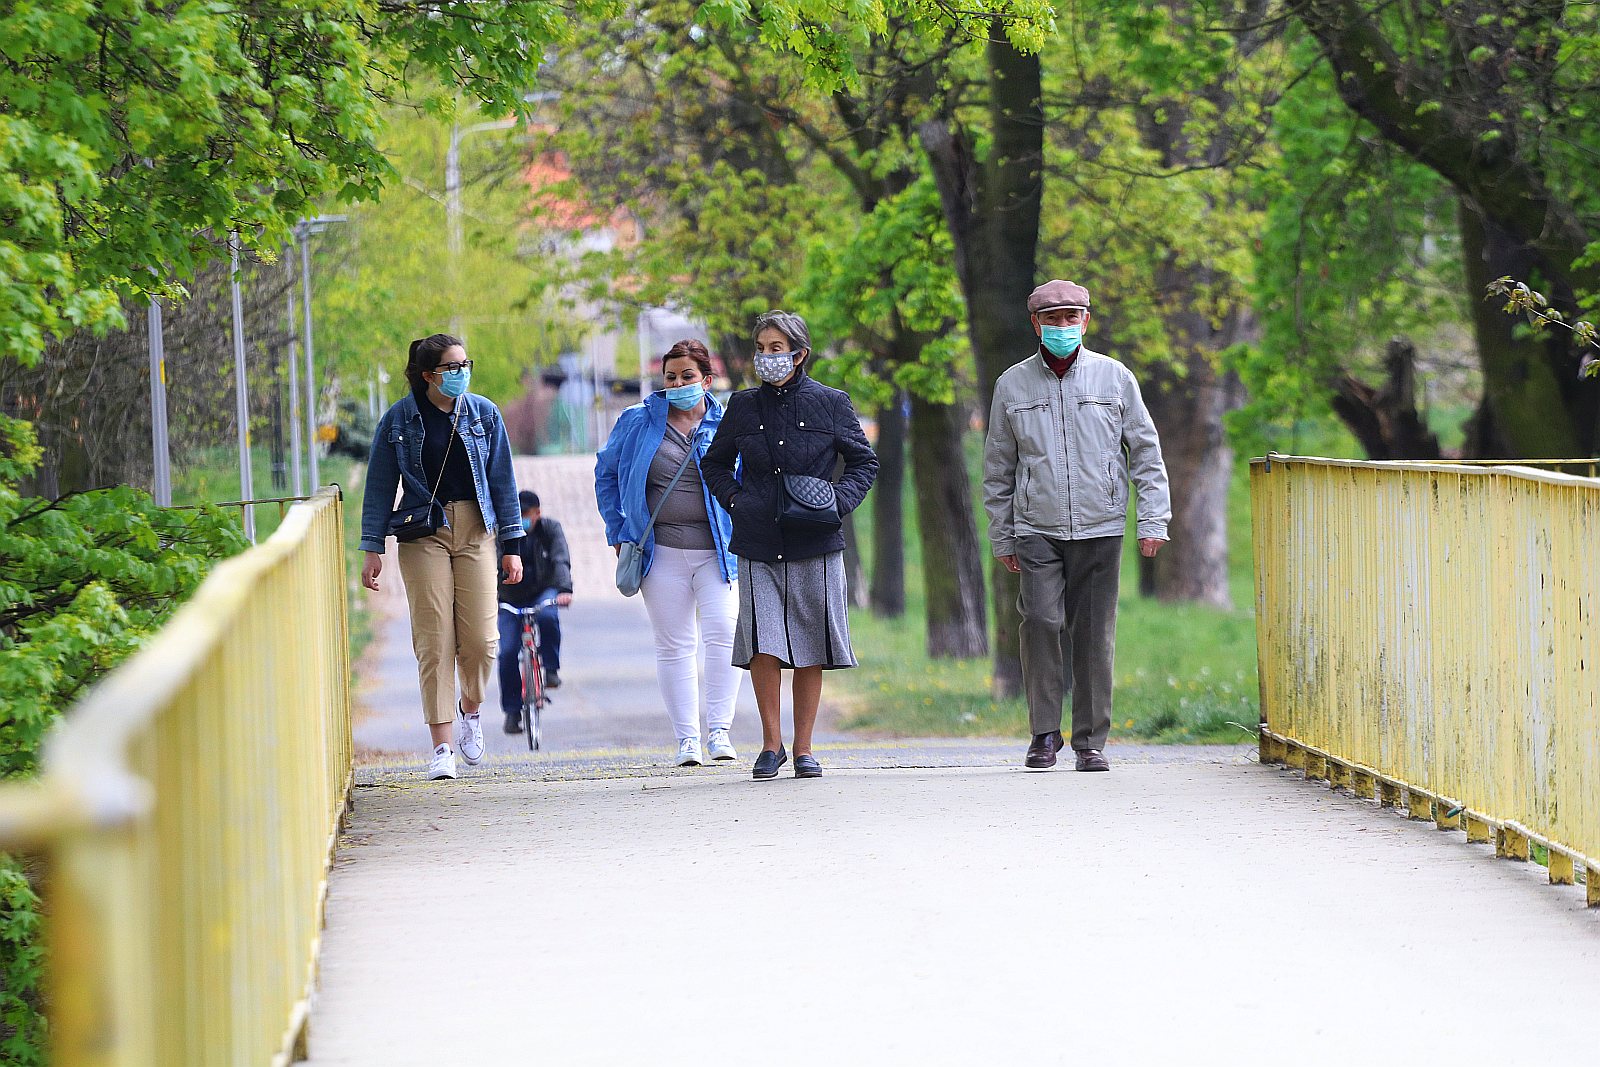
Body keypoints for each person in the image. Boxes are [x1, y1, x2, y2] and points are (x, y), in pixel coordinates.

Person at [982, 280, 1170, 773]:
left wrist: (1153, 518)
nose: (1062, 326)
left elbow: (1145, 452)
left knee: (1093, 633)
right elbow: (998, 467)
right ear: (1036, 324)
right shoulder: (1012, 384)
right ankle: (1044, 732)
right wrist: (1002, 533)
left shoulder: (1115, 378)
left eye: (1071, 317)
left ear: (1086, 321)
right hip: (1036, 527)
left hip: (1100, 524)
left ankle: (1090, 741)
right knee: (1041, 623)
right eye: (1052, 319)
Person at [702, 311, 879, 781]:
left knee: (809, 645)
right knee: (763, 645)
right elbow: (714, 464)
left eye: (776, 348)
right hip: (757, 541)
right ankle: (770, 744)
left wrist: (836, 503)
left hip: (815, 542)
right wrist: (737, 501)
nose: (767, 357)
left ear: (799, 354)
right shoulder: (742, 406)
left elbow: (864, 462)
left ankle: (804, 748)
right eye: (761, 348)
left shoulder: (832, 403)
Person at [359, 334, 524, 781]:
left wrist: (512, 547)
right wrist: (372, 547)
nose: (462, 373)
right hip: (423, 533)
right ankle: (442, 747)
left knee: (482, 641)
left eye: (465, 364)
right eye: (453, 367)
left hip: (476, 530)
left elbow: (503, 481)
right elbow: (379, 485)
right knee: (434, 641)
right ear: (429, 375)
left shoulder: (484, 414)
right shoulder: (398, 419)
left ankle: (471, 709)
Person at [597, 339, 744, 766]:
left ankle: (719, 731)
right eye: (670, 377)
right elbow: (605, 473)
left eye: (687, 376)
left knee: (724, 633)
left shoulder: (728, 423)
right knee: (675, 644)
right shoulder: (638, 421)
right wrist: (618, 530)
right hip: (659, 552)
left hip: (719, 553)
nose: (678, 384)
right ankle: (687, 740)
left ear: (707, 380)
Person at [498, 490, 574, 733]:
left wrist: (564, 589)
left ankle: (550, 669)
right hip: (509, 598)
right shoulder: (503, 532)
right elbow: (490, 565)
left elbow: (560, 559)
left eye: (525, 514)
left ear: (537, 513)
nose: (521, 519)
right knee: (507, 652)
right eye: (518, 514)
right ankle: (512, 711)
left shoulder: (550, 529)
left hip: (543, 590)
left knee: (548, 616)